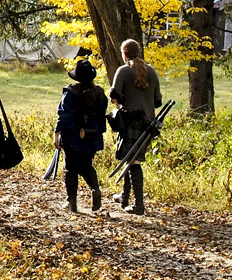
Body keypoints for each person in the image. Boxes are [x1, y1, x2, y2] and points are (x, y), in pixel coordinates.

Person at [110, 39, 162, 215]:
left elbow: (114, 97)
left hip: (130, 121)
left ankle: (139, 204)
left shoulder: (123, 71)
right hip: (148, 122)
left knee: (133, 162)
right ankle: (124, 197)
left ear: (124, 53)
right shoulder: (152, 71)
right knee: (130, 159)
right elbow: (158, 101)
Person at [54, 59, 108, 213]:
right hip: (92, 135)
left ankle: (72, 203)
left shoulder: (70, 92)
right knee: (86, 165)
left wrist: (57, 132)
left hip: (72, 136)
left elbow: (64, 114)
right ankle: (95, 189)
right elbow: (101, 114)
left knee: (70, 168)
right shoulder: (100, 93)